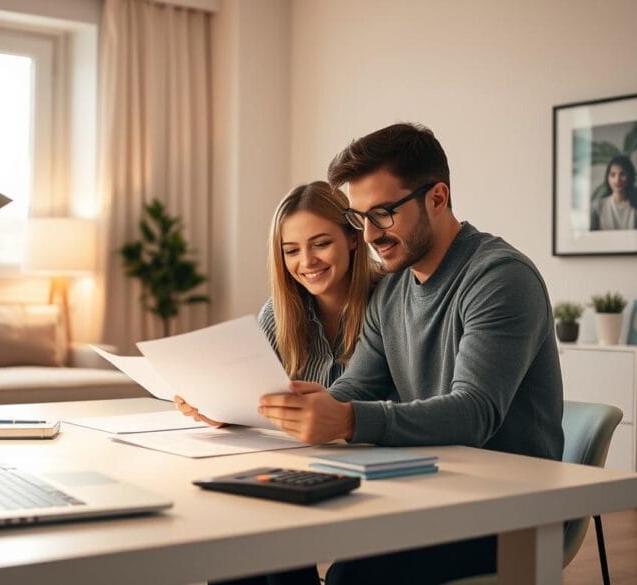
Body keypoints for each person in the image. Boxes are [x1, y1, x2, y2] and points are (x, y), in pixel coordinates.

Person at [222, 123, 564, 585]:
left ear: (437, 198)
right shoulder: (393, 289)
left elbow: (475, 411)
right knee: (251, 552)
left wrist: (345, 420)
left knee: (350, 578)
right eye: (360, 218)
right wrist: (287, 408)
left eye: (383, 214)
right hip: (427, 490)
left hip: (504, 510)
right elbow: (354, 388)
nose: (369, 235)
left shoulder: (499, 278)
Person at [176, 180, 380, 427]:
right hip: (298, 456)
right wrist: (223, 413)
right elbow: (258, 402)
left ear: (353, 239)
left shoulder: (389, 302)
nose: (307, 261)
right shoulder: (277, 314)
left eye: (321, 244)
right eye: (292, 251)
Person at [590, 155, 637, 231]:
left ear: (630, 176)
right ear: (607, 177)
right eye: (613, 175)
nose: (617, 180)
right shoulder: (597, 207)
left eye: (622, 174)